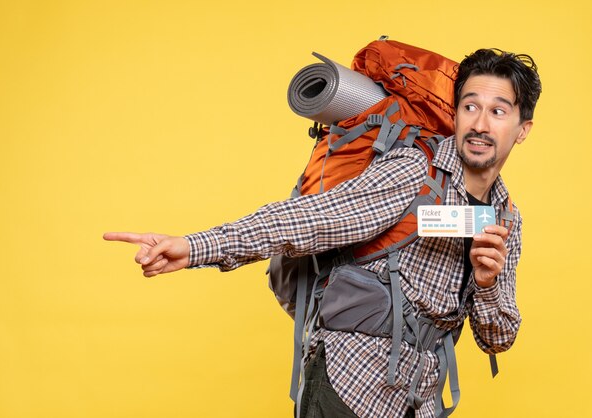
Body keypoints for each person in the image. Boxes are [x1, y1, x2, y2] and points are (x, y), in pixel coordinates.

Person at [104, 48, 541, 418]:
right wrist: (195, 246)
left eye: (498, 111)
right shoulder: (414, 170)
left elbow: (497, 338)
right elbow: (308, 220)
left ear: (522, 130)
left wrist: (486, 286)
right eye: (470, 106)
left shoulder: (505, 218)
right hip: (350, 386)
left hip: (420, 401)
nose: (480, 124)